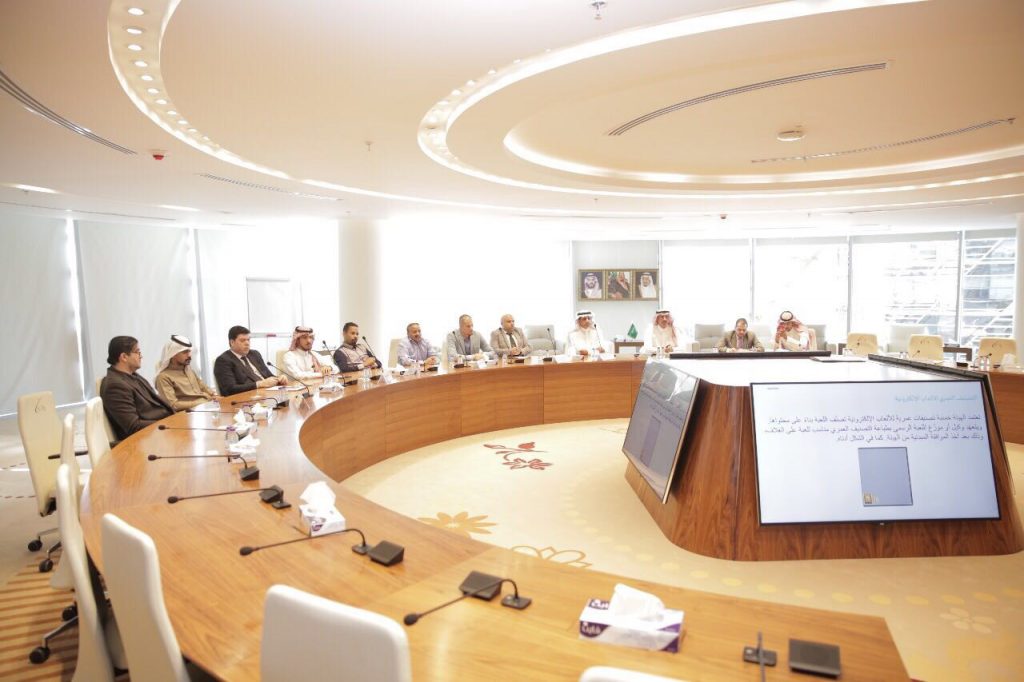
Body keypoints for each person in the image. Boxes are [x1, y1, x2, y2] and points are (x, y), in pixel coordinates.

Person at [100, 336, 174, 441]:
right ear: (124, 357)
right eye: (137, 352)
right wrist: (168, 423)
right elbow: (134, 426)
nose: (141, 356)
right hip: (146, 439)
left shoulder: (132, 375)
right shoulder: (115, 386)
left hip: (160, 430)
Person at [213, 325, 287, 396]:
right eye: (242, 340)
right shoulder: (223, 360)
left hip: (268, 394)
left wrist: (279, 378)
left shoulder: (254, 354)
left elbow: (268, 375)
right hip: (247, 399)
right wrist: (259, 384)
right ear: (232, 342)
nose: (247, 343)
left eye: (248, 340)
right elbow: (229, 389)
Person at [154, 335, 217, 411]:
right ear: (173, 354)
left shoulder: (188, 368)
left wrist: (213, 394)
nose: (189, 355)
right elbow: (173, 405)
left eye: (189, 351)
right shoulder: (163, 377)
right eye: (185, 352)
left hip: (205, 406)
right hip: (187, 413)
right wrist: (200, 402)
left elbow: (201, 385)